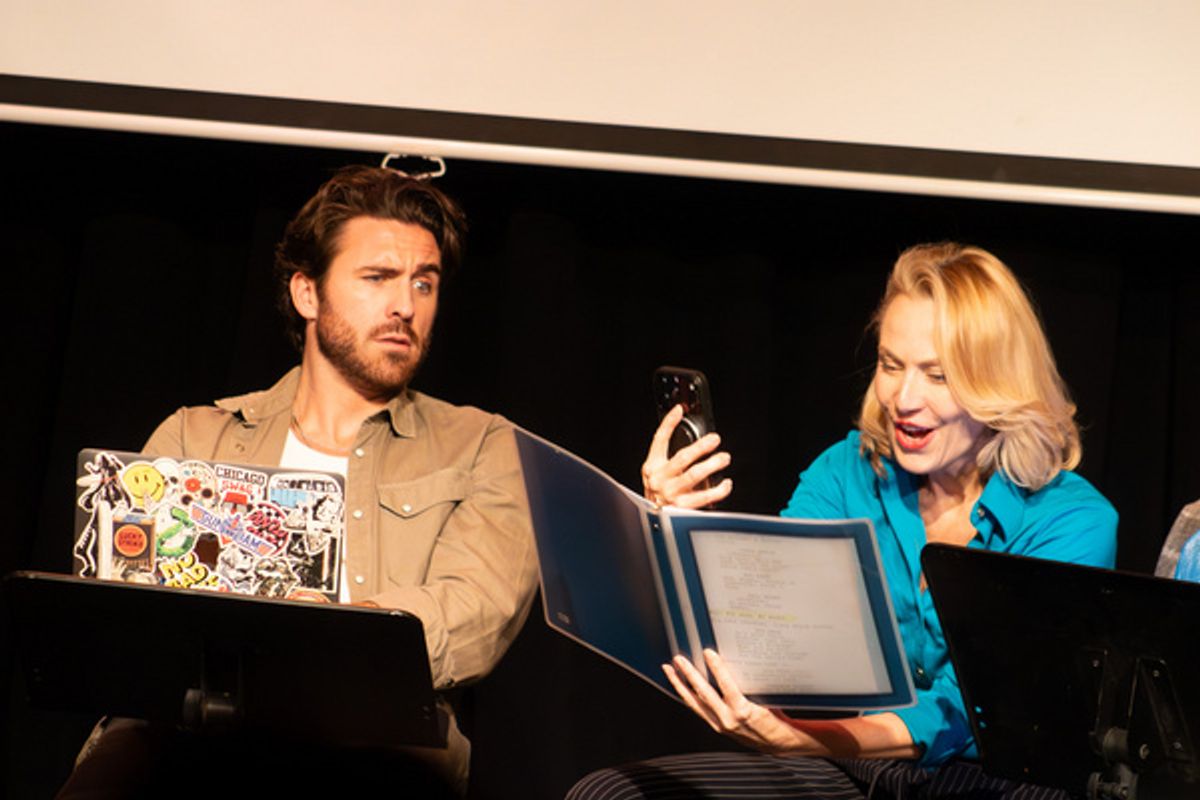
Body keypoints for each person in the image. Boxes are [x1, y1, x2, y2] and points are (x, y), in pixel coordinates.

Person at [569, 243, 1117, 800]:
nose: (903, 398)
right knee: (609, 794)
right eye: (891, 365)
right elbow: (770, 629)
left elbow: (972, 709)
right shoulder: (845, 474)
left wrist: (803, 741)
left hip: (995, 780)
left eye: (938, 375)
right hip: (856, 763)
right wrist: (679, 531)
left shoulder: (1072, 522)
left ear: (998, 385)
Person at [60, 165, 539, 798]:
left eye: (424, 283)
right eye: (378, 277)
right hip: (188, 742)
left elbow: (475, 610)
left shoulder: (482, 445)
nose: (406, 305)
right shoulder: (195, 437)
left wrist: (326, 638)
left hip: (374, 752)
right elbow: (127, 619)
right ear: (307, 293)